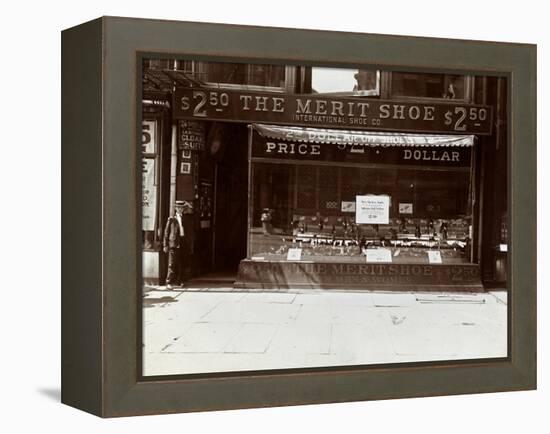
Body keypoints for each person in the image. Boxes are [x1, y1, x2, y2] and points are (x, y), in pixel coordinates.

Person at [163, 200, 187, 289]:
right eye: (178, 207)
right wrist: (165, 245)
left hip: (182, 242)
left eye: (181, 208)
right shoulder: (171, 219)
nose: (180, 209)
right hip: (173, 243)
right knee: (171, 263)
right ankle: (168, 282)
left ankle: (179, 281)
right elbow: (166, 233)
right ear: (176, 208)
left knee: (180, 263)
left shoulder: (185, 218)